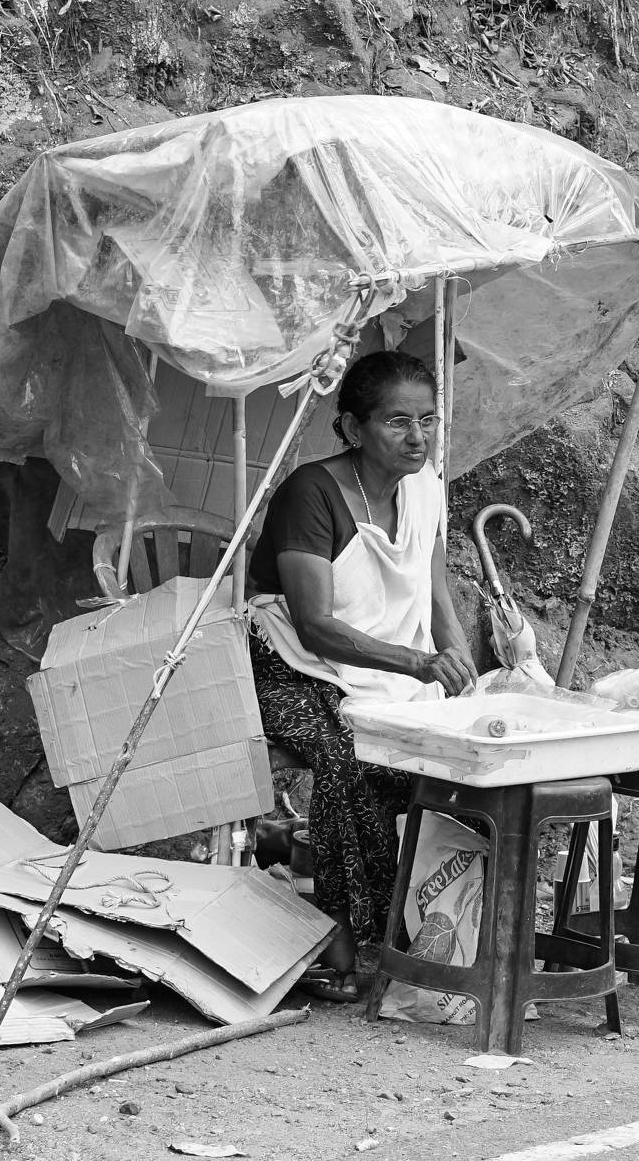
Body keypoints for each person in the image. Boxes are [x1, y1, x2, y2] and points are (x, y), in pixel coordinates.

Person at [247, 350, 476, 998]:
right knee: (346, 750)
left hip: (382, 667)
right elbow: (316, 624)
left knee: (430, 748)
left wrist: (460, 671)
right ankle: (343, 938)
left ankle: (401, 926)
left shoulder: (426, 488)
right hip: (286, 661)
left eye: (428, 420)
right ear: (351, 426)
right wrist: (420, 664)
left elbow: (436, 600)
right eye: (398, 422)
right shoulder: (310, 494)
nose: (417, 437)